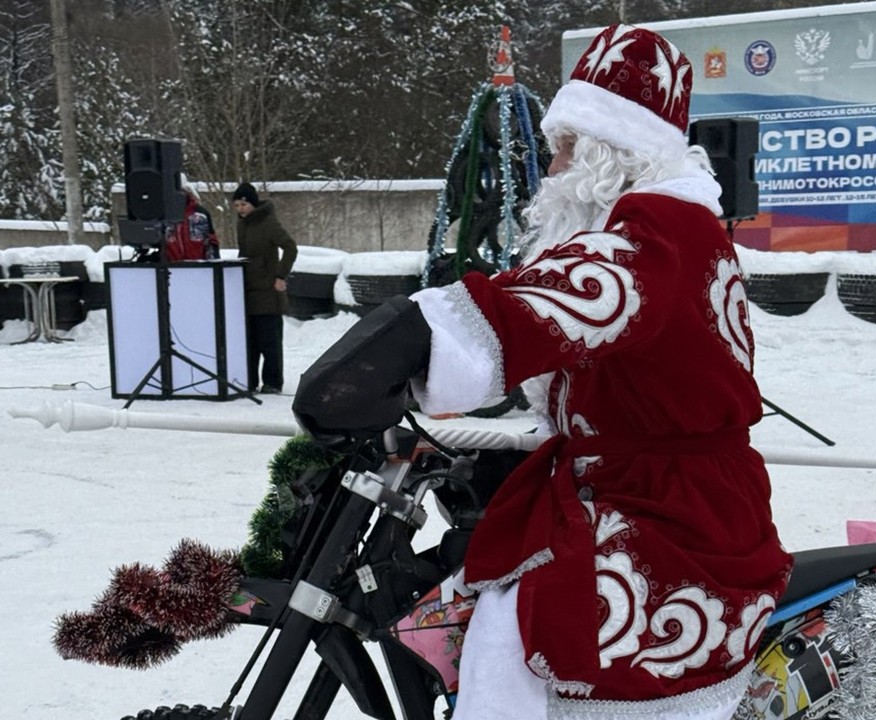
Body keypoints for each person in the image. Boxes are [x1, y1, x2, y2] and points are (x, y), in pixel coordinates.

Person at [293, 24, 792, 720]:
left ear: (610, 153)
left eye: (565, 148)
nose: (552, 169)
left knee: (518, 627)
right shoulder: (672, 229)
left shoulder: (656, 235)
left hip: (672, 514)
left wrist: (405, 343)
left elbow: (555, 300)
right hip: (653, 487)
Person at [233, 182, 297, 395]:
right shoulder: (242, 225)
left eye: (243, 204)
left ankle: (272, 382)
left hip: (268, 291)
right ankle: (249, 381)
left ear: (252, 203)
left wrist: (280, 275)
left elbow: (290, 247)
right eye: (237, 205)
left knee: (269, 341)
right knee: (250, 341)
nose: (240, 209)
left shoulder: (268, 223)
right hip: (248, 290)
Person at [164, 175, 221, 262]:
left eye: (180, 191)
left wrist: (212, 266)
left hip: (199, 269)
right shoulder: (164, 216)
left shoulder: (201, 214)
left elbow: (211, 242)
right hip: (172, 269)